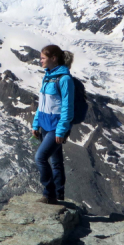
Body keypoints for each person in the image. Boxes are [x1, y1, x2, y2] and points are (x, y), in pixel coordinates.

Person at [32, 45, 74, 204]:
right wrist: (36, 124)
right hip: (44, 125)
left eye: (43, 57)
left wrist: (62, 130)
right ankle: (58, 196)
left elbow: (67, 107)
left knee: (40, 158)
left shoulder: (65, 79)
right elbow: (42, 103)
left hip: (56, 127)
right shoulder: (48, 76)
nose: (40, 60)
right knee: (56, 162)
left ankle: (49, 193)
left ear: (53, 58)